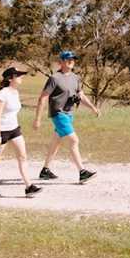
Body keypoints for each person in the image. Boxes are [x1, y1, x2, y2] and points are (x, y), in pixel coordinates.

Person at [33, 51, 100, 183]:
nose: (71, 61)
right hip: (58, 114)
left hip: (69, 114)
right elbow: (43, 98)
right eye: (68, 59)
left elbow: (81, 95)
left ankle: (45, 170)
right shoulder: (54, 78)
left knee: (56, 143)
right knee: (74, 140)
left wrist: (93, 108)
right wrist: (38, 119)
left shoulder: (75, 78)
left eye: (73, 59)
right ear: (61, 62)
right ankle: (82, 172)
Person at [0, 67, 43, 198]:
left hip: (14, 130)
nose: (22, 77)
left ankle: (29, 187)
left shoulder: (15, 92)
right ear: (10, 78)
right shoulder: (2, 94)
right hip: (1, 132)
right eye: (19, 75)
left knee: (23, 157)